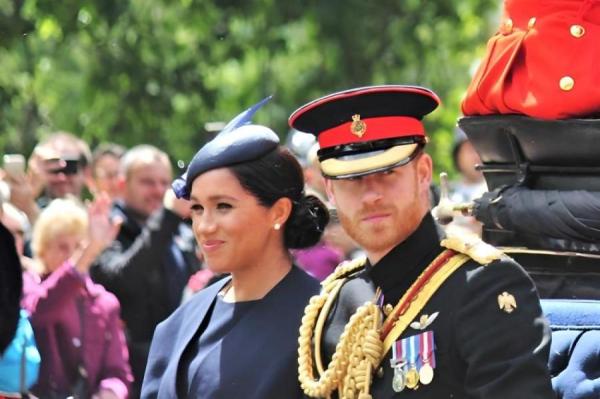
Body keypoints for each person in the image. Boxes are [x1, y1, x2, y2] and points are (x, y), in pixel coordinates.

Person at [289, 85, 554, 398]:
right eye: (351, 180)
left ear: (423, 172)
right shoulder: (334, 301)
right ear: (331, 191)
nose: (371, 195)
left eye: (388, 173)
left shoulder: (486, 286)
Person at [141, 98, 326, 398]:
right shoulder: (177, 326)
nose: (204, 226)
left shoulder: (322, 323)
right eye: (198, 208)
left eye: (223, 206)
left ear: (278, 212)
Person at [90, 144, 203, 396]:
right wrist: (167, 217)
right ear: (121, 184)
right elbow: (120, 281)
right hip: (130, 375)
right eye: (147, 182)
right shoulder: (104, 228)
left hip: (180, 368)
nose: (158, 190)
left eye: (164, 182)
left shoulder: (181, 231)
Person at [22, 197, 132, 398]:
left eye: (78, 246)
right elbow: (39, 312)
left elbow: (117, 373)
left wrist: (108, 393)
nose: (72, 255)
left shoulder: (104, 302)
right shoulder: (27, 286)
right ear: (42, 249)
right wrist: (88, 250)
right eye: (63, 247)